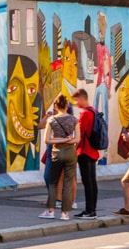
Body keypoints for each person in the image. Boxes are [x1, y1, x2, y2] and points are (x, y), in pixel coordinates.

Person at [39, 94, 78, 221]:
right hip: (70, 152)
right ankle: (65, 213)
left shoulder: (52, 120)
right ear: (67, 106)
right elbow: (77, 138)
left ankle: (50, 210)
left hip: (56, 151)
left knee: (53, 182)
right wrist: (67, 140)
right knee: (67, 181)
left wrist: (59, 140)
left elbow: (47, 140)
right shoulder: (74, 120)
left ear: (56, 106)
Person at [72, 88, 100, 219]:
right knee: (92, 181)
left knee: (87, 182)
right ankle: (92, 210)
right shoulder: (94, 111)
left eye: (77, 100)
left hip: (84, 151)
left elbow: (80, 134)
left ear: (82, 98)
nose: (76, 103)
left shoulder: (85, 114)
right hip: (93, 150)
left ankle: (89, 211)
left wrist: (73, 148)